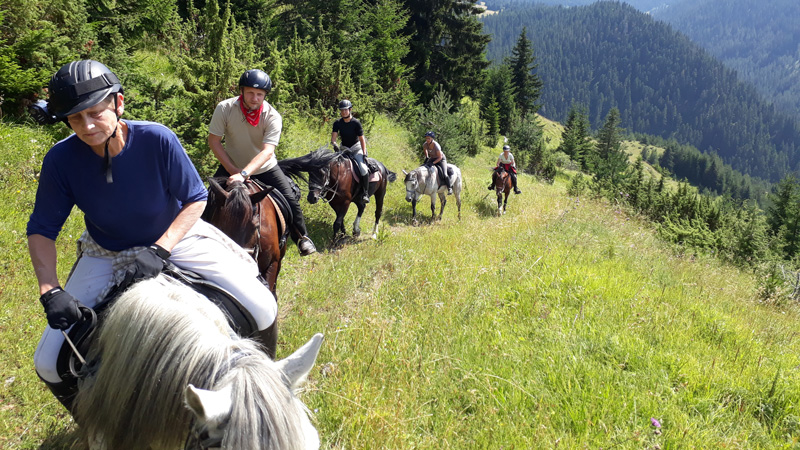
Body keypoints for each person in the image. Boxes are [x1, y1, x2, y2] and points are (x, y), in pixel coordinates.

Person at [27, 60, 280, 411]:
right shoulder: (60, 160)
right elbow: (42, 229)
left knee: (262, 305)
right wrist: (50, 290)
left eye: (95, 113)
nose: (87, 126)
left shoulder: (157, 138)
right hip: (106, 251)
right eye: (75, 118)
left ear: (118, 103)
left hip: (177, 239)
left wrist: (161, 249)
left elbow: (195, 198)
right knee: (47, 363)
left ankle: (265, 391)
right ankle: (92, 424)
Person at [208, 69, 316, 256]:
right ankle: (196, 237)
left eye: (260, 94)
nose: (255, 98)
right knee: (206, 200)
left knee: (290, 200)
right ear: (241, 91)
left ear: (265, 95)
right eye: (250, 92)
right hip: (231, 167)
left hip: (264, 168)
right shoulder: (224, 108)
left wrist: (244, 174)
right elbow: (214, 141)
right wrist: (233, 170)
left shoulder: (272, 116)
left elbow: (267, 151)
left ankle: (302, 237)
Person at [331, 99, 370, 203]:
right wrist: (334, 144)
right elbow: (333, 139)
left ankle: (365, 193)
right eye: (342, 110)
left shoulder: (356, 123)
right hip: (344, 149)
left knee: (363, 169)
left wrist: (364, 153)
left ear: (350, 110)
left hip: (356, 148)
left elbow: (362, 139)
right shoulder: (337, 123)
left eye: (345, 110)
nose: (343, 112)